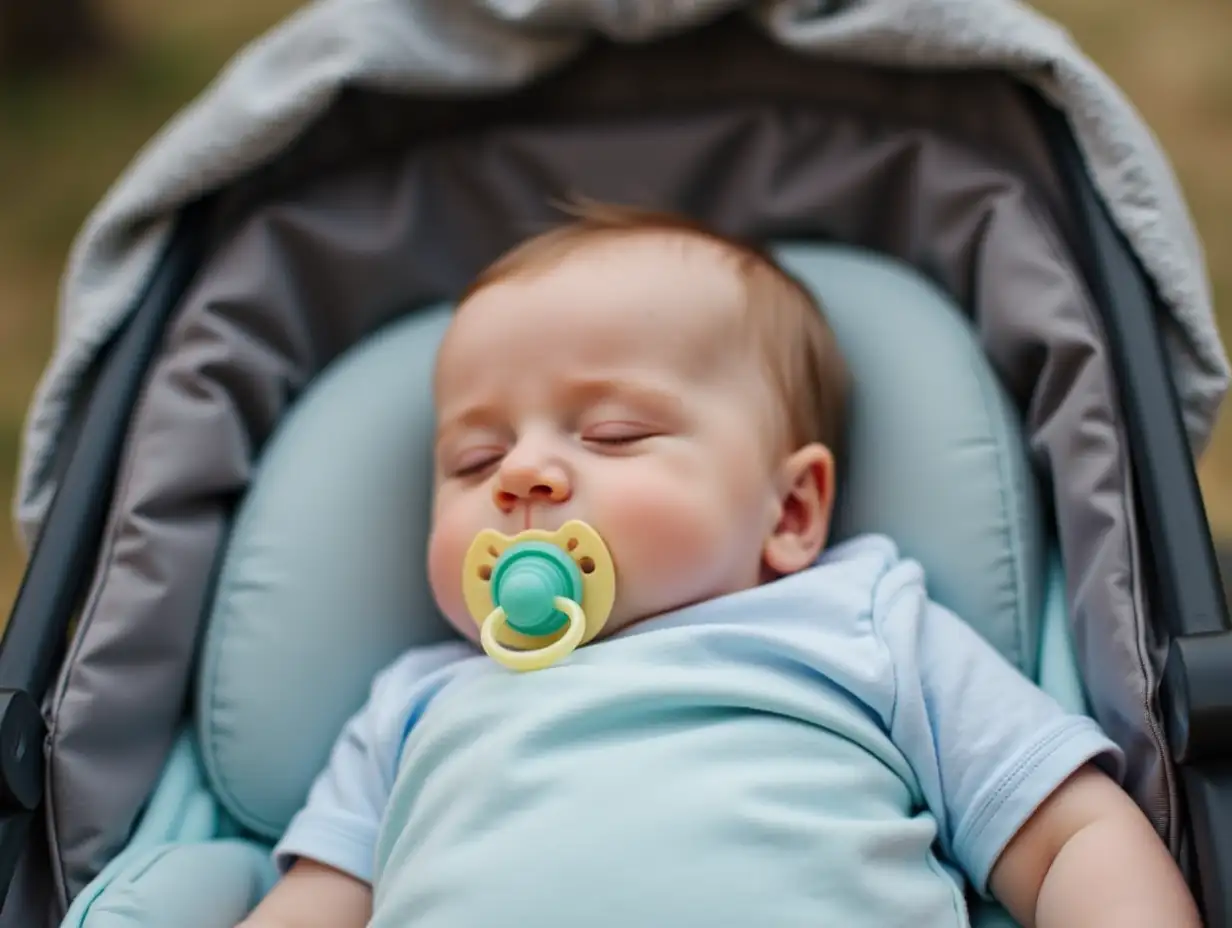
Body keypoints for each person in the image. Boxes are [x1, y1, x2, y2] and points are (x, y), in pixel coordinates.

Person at [240, 204, 1199, 927]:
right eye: (474, 460)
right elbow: (320, 902)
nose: (523, 472)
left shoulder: (863, 625)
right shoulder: (414, 705)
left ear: (788, 512)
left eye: (613, 433)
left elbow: (1071, 831)